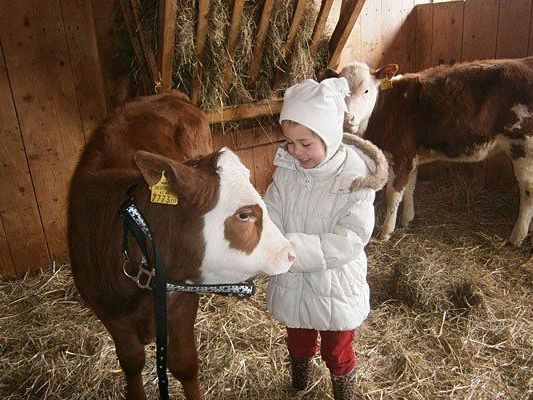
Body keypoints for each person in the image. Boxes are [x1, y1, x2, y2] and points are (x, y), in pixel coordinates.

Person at [264, 77, 388, 399]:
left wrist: (292, 249)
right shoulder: (287, 170)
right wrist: (266, 240)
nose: (296, 152)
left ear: (330, 136)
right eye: (290, 143)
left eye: (305, 144)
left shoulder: (354, 179)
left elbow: (350, 238)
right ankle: (299, 385)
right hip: (293, 284)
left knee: (336, 351)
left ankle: (344, 393)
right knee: (298, 340)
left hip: (336, 286)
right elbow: (272, 210)